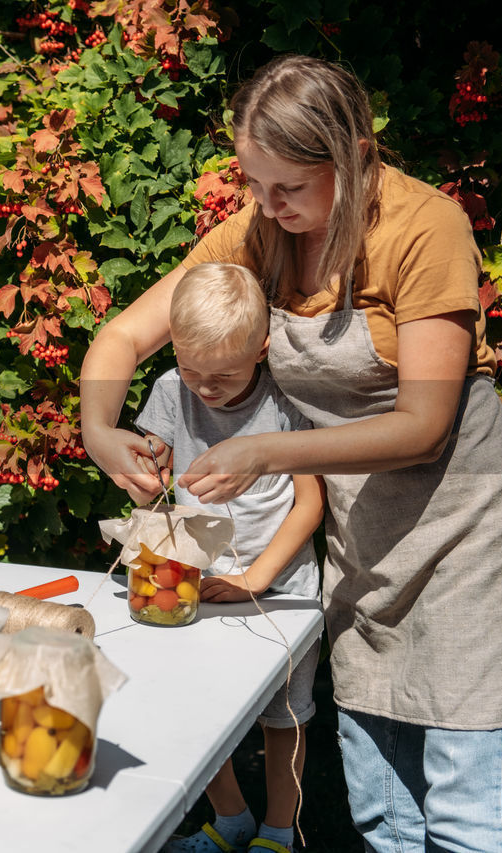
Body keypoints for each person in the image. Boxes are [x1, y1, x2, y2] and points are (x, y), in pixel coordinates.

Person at [79, 54, 502, 852]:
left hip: (468, 531)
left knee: (467, 808)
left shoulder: (425, 228)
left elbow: (424, 423)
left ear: (354, 156)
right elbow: (123, 333)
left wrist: (267, 449)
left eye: (287, 188)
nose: (265, 206)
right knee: (383, 806)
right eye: (254, 184)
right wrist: (98, 430)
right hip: (366, 536)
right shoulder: (261, 230)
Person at [134, 261, 325, 853]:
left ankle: (276, 832)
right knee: (190, 702)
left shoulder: (285, 403)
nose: (204, 387)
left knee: (283, 719)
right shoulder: (172, 390)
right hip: (201, 583)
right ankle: (231, 818)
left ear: (262, 350)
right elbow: (155, 457)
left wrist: (259, 577)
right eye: (190, 368)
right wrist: (144, 468)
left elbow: (311, 502)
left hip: (283, 589)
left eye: (221, 374)